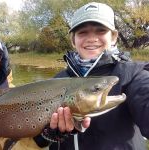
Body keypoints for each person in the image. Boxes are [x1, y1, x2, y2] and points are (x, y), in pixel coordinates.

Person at [34, 2, 149, 150]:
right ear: (73, 40)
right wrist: (48, 135)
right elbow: (36, 140)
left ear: (114, 37)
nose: (91, 38)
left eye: (100, 31)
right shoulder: (57, 81)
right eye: (82, 32)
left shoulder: (135, 75)